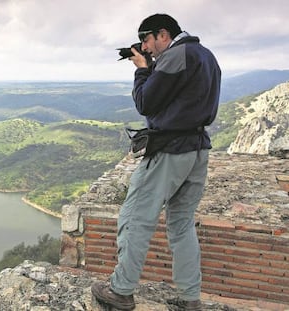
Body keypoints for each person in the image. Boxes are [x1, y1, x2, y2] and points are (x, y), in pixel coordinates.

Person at [91, 13, 221, 311]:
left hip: (171, 150)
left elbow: (146, 103)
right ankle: (190, 298)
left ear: (163, 34)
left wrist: (141, 71)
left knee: (136, 218)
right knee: (181, 224)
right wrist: (151, 66)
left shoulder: (176, 55)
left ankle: (121, 290)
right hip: (198, 150)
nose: (144, 47)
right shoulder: (205, 54)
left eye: (146, 40)